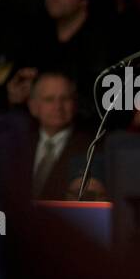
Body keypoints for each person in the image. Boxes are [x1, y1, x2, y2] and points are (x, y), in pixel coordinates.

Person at [28, 71, 93, 200]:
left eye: (65, 99)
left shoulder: (93, 147)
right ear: (33, 106)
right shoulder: (16, 144)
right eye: (49, 99)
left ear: (75, 104)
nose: (58, 106)